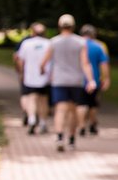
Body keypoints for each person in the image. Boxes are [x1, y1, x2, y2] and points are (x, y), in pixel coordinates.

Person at [39, 13, 97, 152]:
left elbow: (44, 61)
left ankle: (59, 136)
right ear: (73, 26)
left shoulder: (53, 42)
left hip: (59, 81)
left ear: (60, 26)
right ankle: (71, 138)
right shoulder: (80, 42)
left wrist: (42, 70)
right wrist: (91, 80)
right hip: (75, 81)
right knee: (72, 111)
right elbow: (85, 63)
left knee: (60, 109)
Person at [15, 22, 51, 134]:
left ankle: (32, 119)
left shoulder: (26, 43)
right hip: (44, 77)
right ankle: (43, 122)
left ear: (33, 32)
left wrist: (21, 72)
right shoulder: (49, 44)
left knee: (31, 99)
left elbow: (20, 60)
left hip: (29, 77)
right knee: (43, 101)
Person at [77, 24, 110, 136]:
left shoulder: (76, 45)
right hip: (94, 79)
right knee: (92, 104)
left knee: (81, 104)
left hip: (78, 80)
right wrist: (106, 78)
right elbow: (104, 64)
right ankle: (92, 124)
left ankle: (81, 126)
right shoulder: (98, 46)